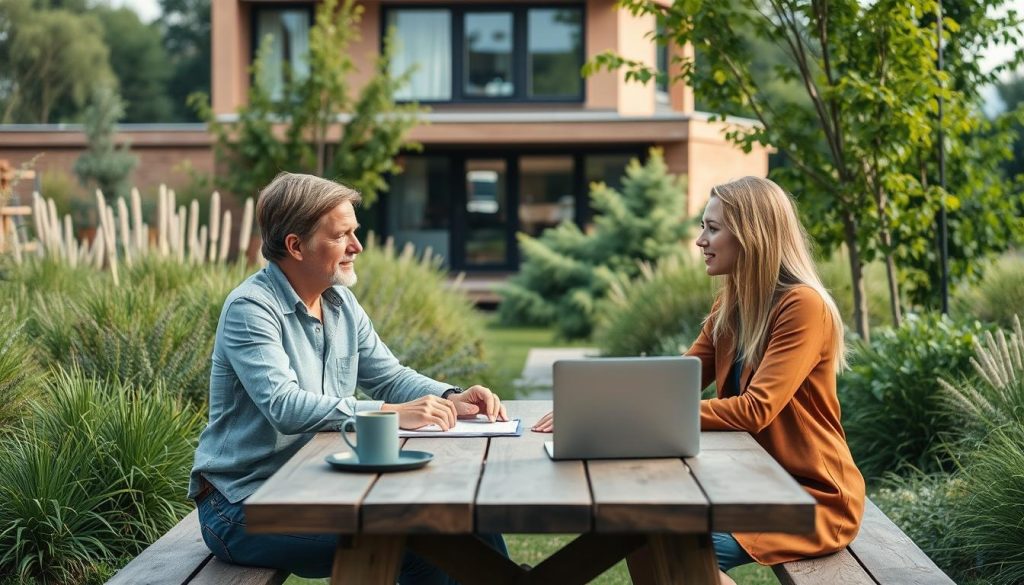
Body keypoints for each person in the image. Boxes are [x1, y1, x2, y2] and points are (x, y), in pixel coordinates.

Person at [532, 176, 865, 585]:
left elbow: (755, 410)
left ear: (751, 235)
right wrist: (597, 410)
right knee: (641, 530)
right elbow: (676, 382)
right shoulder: (732, 304)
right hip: (757, 485)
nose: (700, 240)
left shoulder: (803, 306)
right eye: (703, 226)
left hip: (810, 497)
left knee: (677, 547)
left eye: (713, 228)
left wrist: (631, 418)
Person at [189, 172, 509, 582]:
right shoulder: (251, 309)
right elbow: (285, 407)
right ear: (295, 245)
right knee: (422, 543)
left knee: (467, 515)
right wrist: (391, 413)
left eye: (354, 233)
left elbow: (388, 376)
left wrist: (452, 396)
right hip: (244, 505)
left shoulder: (340, 301)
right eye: (342, 236)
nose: (357, 247)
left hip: (317, 483)